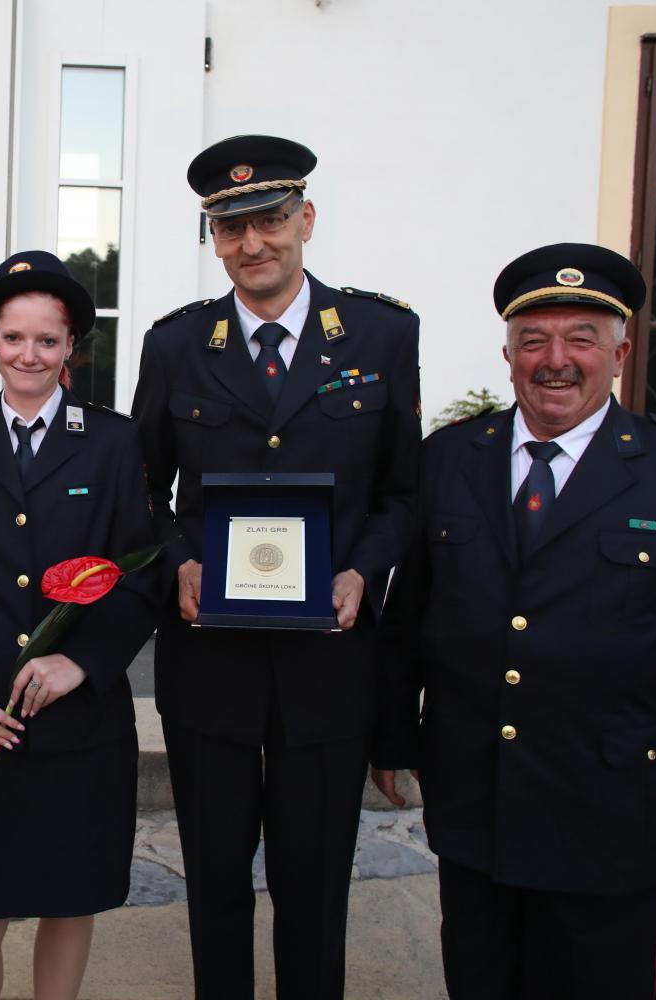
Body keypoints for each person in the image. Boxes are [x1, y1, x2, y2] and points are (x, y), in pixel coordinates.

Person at [371, 243, 656, 999]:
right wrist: (393, 736)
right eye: (534, 341)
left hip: (603, 817)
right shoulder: (450, 459)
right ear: (509, 356)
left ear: (619, 354)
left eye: (581, 339)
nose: (555, 361)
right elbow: (410, 617)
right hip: (476, 805)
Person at [130, 134, 421, 999]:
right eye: (231, 227)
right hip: (209, 664)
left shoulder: (381, 333)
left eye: (270, 220)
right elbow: (139, 491)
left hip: (328, 668)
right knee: (215, 885)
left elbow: (404, 494)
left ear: (306, 219)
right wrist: (180, 563)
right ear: (213, 239)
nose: (252, 243)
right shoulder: (177, 343)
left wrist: (360, 572)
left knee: (315, 890)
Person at [0, 250, 159, 1000]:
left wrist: (81, 662)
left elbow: (140, 574)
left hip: (79, 720)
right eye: (14, 337)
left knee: (68, 901)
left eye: (47, 340)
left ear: (70, 347)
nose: (30, 355)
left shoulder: (113, 442)